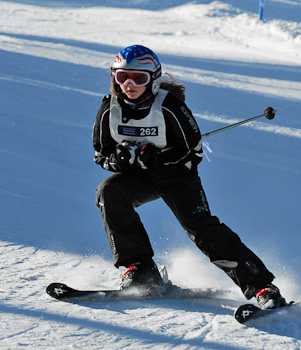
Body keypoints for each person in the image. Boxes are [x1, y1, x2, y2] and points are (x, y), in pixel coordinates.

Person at [92, 44, 286, 309]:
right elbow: (101, 155)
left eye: (139, 78)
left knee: (202, 230)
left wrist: (159, 159)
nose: (129, 84)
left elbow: (192, 155)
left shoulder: (169, 107)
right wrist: (119, 160)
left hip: (177, 178)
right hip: (139, 179)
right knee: (109, 191)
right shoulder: (109, 110)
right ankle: (141, 270)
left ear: (154, 78)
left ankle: (263, 286)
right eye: (122, 76)